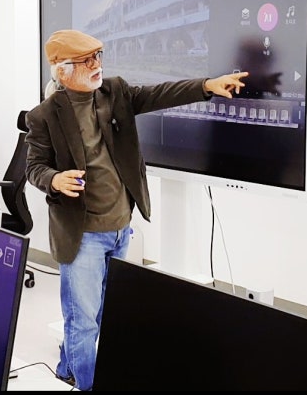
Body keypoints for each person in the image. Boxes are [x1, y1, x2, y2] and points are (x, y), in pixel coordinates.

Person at [24, 29, 249, 391]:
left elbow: (161, 93)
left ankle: (68, 366)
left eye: (98, 56)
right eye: (86, 60)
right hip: (81, 236)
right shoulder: (44, 116)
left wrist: (207, 85)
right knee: (83, 321)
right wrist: (54, 179)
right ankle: (86, 384)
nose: (96, 65)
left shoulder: (115, 92)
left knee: (101, 313)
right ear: (63, 71)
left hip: (120, 228)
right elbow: (34, 167)